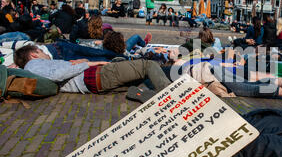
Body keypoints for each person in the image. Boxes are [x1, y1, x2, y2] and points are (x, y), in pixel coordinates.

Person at [14, 45, 171, 96]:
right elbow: (57, 74)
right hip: (97, 76)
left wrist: (83, 62)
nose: (45, 54)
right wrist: (89, 64)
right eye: (41, 52)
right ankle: (173, 96)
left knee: (145, 75)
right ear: (34, 54)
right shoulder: (34, 65)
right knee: (147, 65)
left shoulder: (32, 68)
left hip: (95, 82)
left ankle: (138, 92)